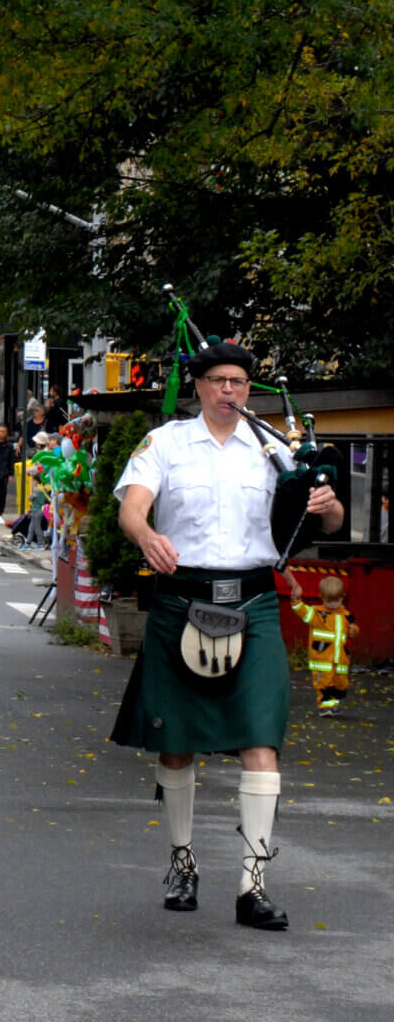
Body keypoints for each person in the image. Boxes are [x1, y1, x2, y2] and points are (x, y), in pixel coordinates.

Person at [111, 340, 344, 931]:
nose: (229, 391)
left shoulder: (274, 451)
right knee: (176, 742)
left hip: (255, 599)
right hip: (181, 597)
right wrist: (145, 536)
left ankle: (254, 884)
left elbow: (332, 519)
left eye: (239, 382)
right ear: (199, 386)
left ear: (249, 390)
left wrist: (325, 502)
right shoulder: (165, 444)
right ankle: (183, 863)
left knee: (261, 739)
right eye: (217, 380)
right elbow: (132, 508)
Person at [288, 575, 357, 715]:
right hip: (322, 659)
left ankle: (333, 704)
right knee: (324, 683)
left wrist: (354, 630)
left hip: (340, 659)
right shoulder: (317, 613)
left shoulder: (345, 615)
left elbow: (351, 632)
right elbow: (303, 611)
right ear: (321, 597)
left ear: (343, 596)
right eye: (329, 601)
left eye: (337, 600)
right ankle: (324, 706)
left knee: (340, 684)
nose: (333, 604)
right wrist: (296, 601)